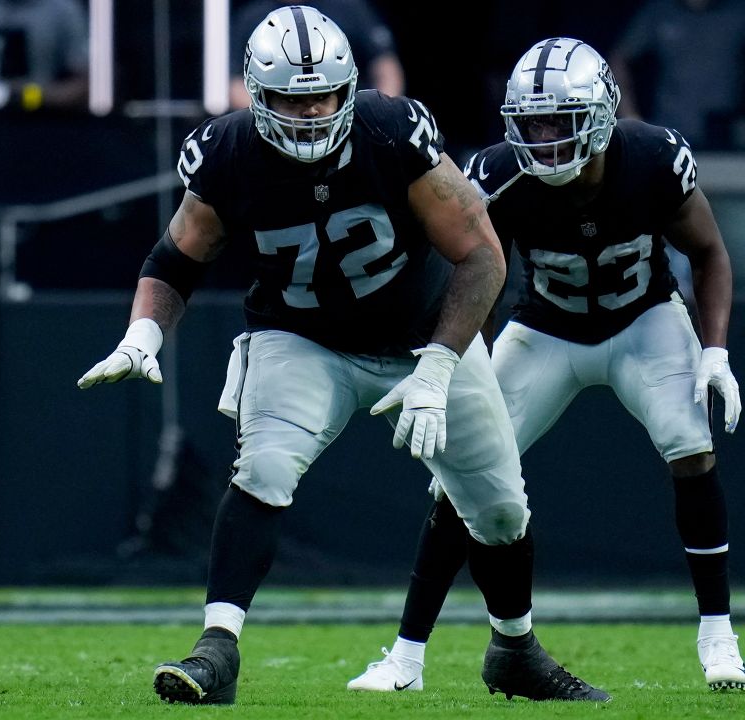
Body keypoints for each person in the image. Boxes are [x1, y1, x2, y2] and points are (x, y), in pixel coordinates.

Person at [78, 6, 607, 705]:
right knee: (263, 466)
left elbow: (480, 255)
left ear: (349, 88)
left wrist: (441, 363)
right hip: (301, 337)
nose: (307, 112)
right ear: (256, 96)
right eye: (291, 99)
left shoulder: (391, 132)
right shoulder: (230, 150)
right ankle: (217, 648)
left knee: (502, 510)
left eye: (321, 95)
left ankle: (515, 650)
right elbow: (176, 257)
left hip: (421, 333)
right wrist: (142, 333)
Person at [348, 37, 745, 694]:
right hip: (545, 327)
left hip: (642, 319)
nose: (546, 138)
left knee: (690, 445)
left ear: (602, 112)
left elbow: (708, 251)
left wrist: (716, 350)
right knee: (459, 477)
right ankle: (406, 657)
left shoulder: (651, 157)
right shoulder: (500, 173)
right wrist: (440, 363)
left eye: (561, 121)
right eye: (533, 123)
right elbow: (464, 268)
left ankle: (718, 637)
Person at [610, 0, 745, 150]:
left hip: (726, 138)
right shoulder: (660, 10)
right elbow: (620, 58)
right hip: (669, 132)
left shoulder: (738, 11)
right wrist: (630, 118)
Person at [229, 0, 404, 109]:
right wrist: (270, 117)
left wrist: (378, 112)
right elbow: (235, 84)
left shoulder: (349, 7)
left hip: (352, 116)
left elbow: (386, 69)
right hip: (280, 119)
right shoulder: (251, 17)